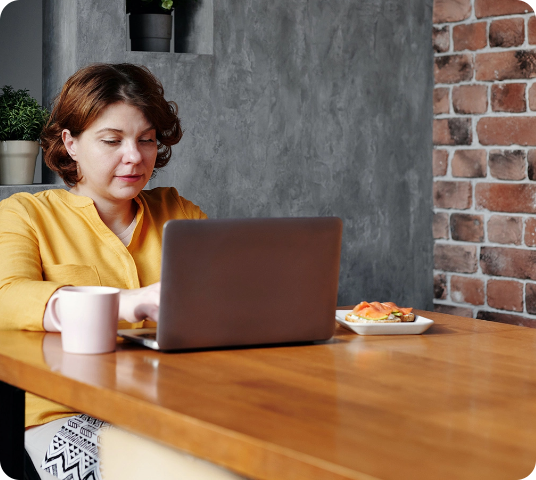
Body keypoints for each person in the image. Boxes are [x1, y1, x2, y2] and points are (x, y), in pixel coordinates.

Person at [0, 63, 207, 480]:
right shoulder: (24, 214)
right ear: (70, 143)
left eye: (146, 140)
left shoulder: (178, 212)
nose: (134, 156)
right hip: (65, 413)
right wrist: (125, 302)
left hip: (172, 405)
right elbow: (7, 296)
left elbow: (227, 298)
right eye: (112, 140)